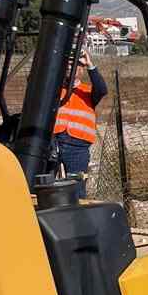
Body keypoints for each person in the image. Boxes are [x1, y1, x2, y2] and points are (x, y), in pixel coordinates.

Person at [53, 46, 107, 197]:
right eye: (68, 64)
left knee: (76, 188)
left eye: (76, 64)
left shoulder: (88, 91)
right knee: (45, 184)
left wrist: (90, 64)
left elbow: (102, 89)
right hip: (52, 142)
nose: (71, 67)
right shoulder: (54, 89)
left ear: (82, 70)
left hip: (77, 147)